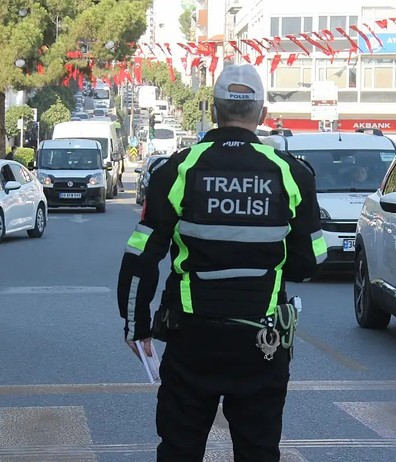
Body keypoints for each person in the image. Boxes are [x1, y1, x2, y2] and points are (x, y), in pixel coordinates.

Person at [116, 63, 326, 461]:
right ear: (262, 114)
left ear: (213, 111)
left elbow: (141, 254)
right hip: (262, 342)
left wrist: (135, 324)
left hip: (191, 339)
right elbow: (309, 261)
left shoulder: (176, 169)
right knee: (258, 450)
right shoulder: (292, 173)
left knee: (180, 448)